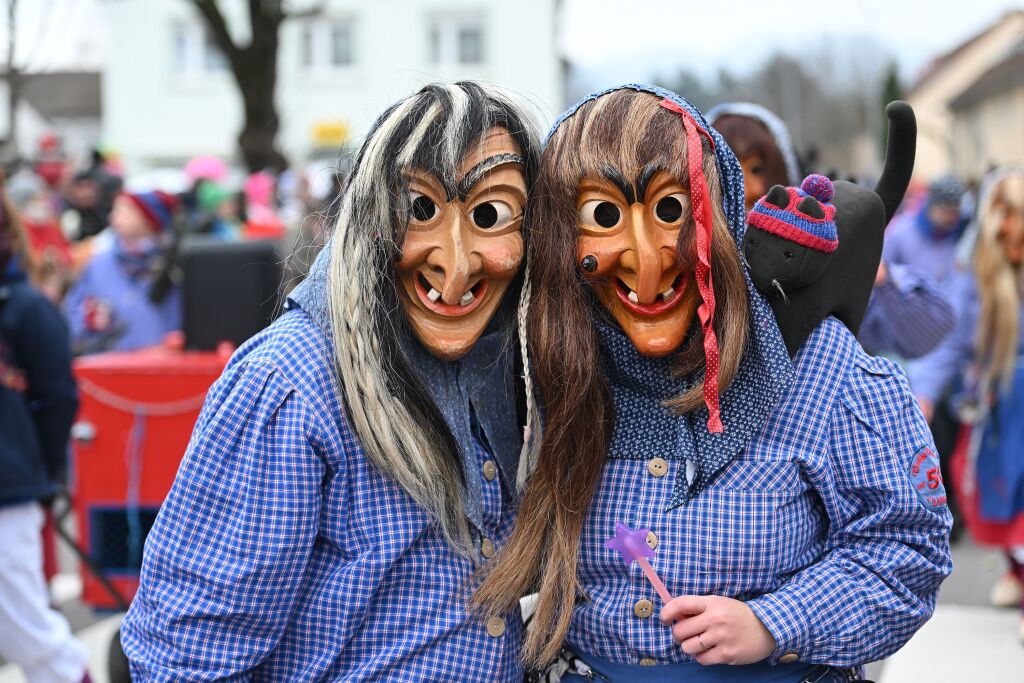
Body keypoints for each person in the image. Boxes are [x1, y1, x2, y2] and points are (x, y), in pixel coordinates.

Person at [473, 84, 952, 682]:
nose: (646, 263)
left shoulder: (821, 370)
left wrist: (778, 622)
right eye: (602, 216)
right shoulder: (554, 369)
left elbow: (908, 550)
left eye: (671, 210)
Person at [120, 81, 542, 681]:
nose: (455, 263)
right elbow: (190, 656)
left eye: (491, 216)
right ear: (370, 216)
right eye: (418, 209)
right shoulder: (291, 384)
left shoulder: (498, 362)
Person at [706, 102, 955, 361]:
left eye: (757, 168)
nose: (749, 188)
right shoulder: (692, 272)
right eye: (729, 172)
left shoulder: (817, 259)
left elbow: (929, 334)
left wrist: (875, 273)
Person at [915, 167, 1024, 635]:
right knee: (1001, 494)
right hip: (998, 408)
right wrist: (922, 393)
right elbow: (949, 343)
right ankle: (1016, 573)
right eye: (1002, 213)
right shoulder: (976, 279)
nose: (1008, 227)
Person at [0, 180, 89, 683]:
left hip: (6, 492)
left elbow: (57, 399)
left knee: (30, 635)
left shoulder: (24, 306)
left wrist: (41, 471)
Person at [62, 190, 182, 355]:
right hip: (107, 367)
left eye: (125, 210)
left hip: (163, 370)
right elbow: (72, 312)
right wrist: (87, 319)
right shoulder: (97, 263)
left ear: (148, 219)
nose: (113, 217)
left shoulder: (175, 265)